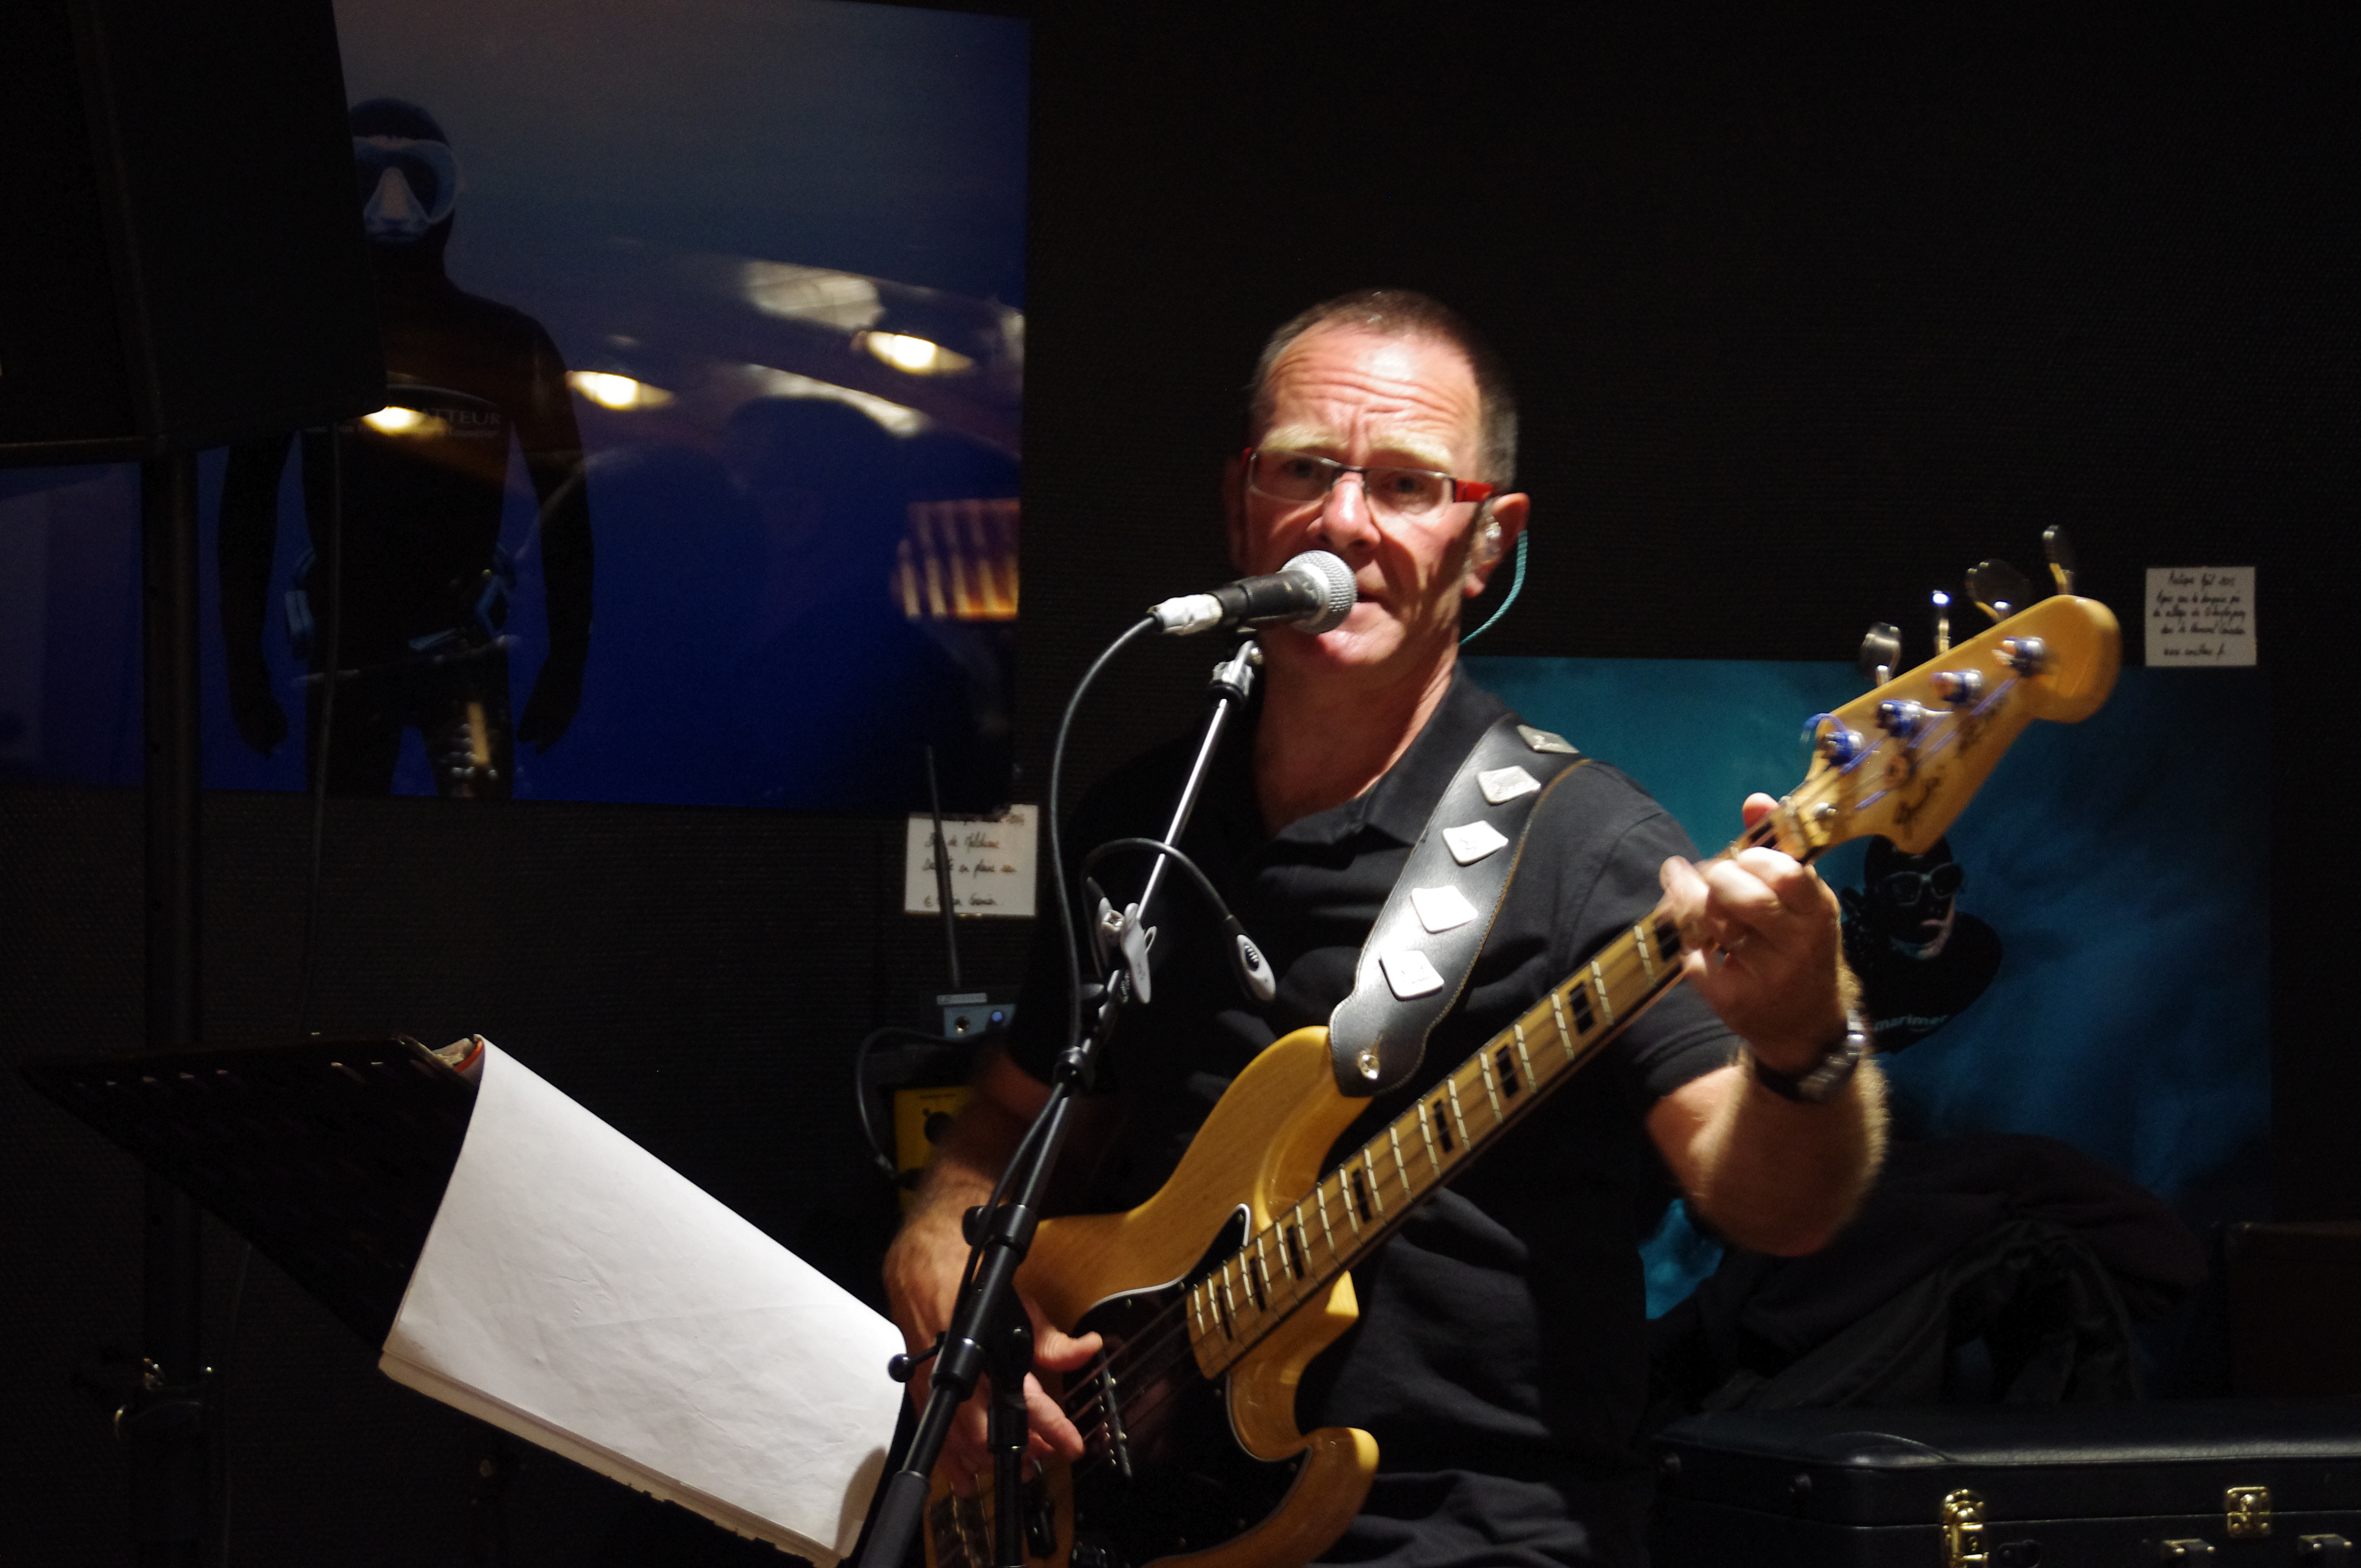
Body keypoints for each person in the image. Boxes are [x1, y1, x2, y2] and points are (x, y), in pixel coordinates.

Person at [883, 290, 1886, 1566]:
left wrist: (1804, 1041)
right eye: (1305, 468)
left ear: (1487, 539)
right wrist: (939, 1243)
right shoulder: (1143, 821)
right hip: (1143, 1520)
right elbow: (1007, 1122)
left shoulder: (1586, 848)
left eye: (1407, 484)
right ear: (1241, 498)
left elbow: (1777, 1208)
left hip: (1473, 1534)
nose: (1344, 521)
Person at [219, 98, 591, 799]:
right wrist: (242, 667)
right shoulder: (305, 342)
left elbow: (566, 508)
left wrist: (568, 664)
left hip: (455, 642)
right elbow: (247, 507)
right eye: (366, 176)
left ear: (447, 192)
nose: (393, 204)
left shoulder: (509, 344)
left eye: (418, 178)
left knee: (455, 834)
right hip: (357, 646)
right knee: (361, 834)